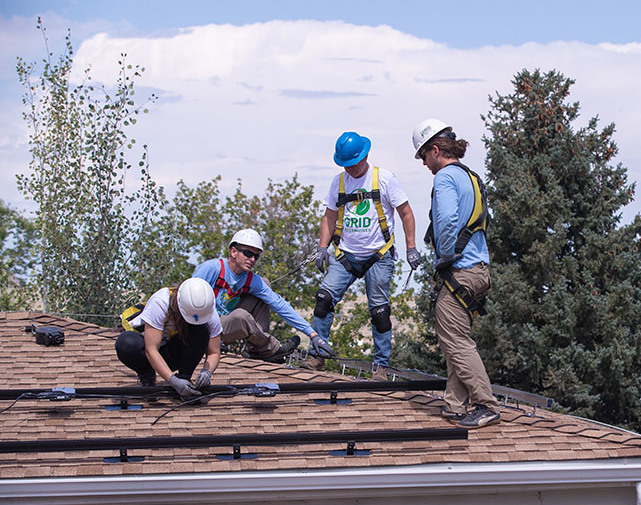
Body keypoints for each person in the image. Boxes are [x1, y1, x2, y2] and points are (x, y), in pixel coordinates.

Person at [309, 131, 420, 379]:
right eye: (345, 165)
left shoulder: (384, 179)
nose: (350, 169)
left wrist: (411, 247)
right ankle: (317, 356)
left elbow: (406, 213)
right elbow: (329, 216)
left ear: (366, 156)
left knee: (379, 312)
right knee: (323, 299)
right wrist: (322, 247)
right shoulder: (338, 182)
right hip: (345, 254)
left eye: (354, 164)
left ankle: (380, 367)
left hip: (378, 256)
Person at [411, 119, 500, 429]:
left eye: (424, 157)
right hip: (478, 270)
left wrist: (443, 260)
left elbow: (447, 221)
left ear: (436, 150)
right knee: (455, 339)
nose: (424, 164)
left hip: (459, 271)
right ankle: (454, 405)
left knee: (456, 342)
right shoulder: (471, 178)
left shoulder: (446, 177)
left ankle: (485, 404)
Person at [193, 229, 334, 362]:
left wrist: (313, 334)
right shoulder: (212, 269)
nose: (252, 259)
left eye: (256, 256)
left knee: (264, 284)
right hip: (204, 327)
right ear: (234, 252)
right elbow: (188, 299)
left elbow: (279, 305)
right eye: (248, 254)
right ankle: (272, 348)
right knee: (241, 316)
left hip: (226, 325)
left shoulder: (250, 280)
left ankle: (257, 350)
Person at [115, 277, 220, 399]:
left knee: (201, 330)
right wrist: (172, 380)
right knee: (126, 343)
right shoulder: (161, 302)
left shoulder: (207, 311)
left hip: (174, 353)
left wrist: (207, 372)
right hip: (148, 355)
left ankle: (185, 378)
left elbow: (214, 352)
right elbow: (151, 349)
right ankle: (147, 376)